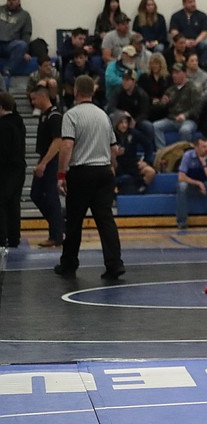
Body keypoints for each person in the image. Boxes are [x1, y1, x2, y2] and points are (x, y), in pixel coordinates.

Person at [53, 76, 124, 280]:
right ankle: (115, 264)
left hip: (82, 172)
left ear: (75, 91)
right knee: (106, 220)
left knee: (74, 220)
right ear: (92, 91)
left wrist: (60, 174)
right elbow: (114, 148)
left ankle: (69, 263)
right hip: (103, 171)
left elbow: (67, 145)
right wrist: (112, 168)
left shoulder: (71, 115)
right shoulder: (103, 115)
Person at [27, 82, 65, 247]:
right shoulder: (44, 115)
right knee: (36, 195)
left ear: (43, 97)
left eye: (34, 99)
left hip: (51, 160)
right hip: (44, 158)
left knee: (51, 197)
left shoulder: (54, 116)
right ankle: (59, 226)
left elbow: (57, 142)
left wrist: (44, 163)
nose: (33, 103)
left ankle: (56, 235)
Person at [151, 64, 203, 149]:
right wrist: (162, 103)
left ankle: (183, 154)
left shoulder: (193, 88)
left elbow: (197, 108)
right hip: (172, 119)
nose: (174, 75)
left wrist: (185, 115)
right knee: (155, 126)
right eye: (173, 73)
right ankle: (162, 153)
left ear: (184, 73)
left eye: (177, 72)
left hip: (188, 120)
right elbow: (162, 108)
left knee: (185, 130)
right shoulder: (171, 90)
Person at [176, 137, 207, 229]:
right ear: (196, 148)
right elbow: (181, 177)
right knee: (182, 186)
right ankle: (182, 222)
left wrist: (204, 164)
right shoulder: (188, 155)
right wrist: (198, 183)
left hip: (205, 184)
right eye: (203, 147)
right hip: (191, 185)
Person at [0, 92, 25, 247]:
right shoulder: (19, 122)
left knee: (1, 203)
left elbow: (2, 152)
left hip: (6, 170)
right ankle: (14, 237)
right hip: (19, 168)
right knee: (14, 204)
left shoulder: (3, 126)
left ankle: (2, 238)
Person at [111, 111, 156, 195]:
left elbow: (148, 145)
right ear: (116, 123)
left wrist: (146, 161)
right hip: (116, 165)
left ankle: (141, 190)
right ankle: (113, 194)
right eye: (121, 123)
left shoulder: (133, 133)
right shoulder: (110, 135)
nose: (124, 125)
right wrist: (114, 155)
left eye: (126, 122)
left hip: (132, 165)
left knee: (150, 172)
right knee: (109, 170)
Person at [169, 0, 207, 67]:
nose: (193, 4)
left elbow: (205, 32)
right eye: (190, 2)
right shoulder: (176, 16)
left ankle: (205, 67)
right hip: (182, 42)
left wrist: (196, 41)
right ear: (184, 4)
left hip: (197, 42)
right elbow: (174, 32)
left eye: (194, 1)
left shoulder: (202, 16)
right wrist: (184, 41)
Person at [1, 0, 33, 89]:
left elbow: (26, 34)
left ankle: (7, 71)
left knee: (21, 45)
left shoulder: (25, 15)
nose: (11, 2)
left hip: (11, 45)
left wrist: (25, 51)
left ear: (18, 1)